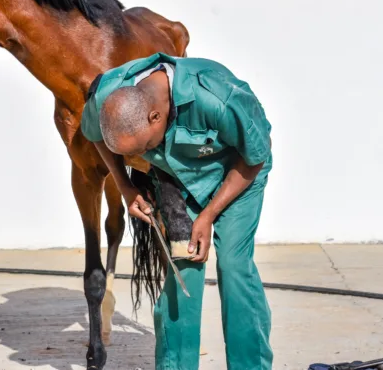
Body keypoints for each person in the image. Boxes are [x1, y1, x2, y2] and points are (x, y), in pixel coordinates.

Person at [80, 52, 273, 370]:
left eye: (142, 148)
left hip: (237, 172)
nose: (140, 157)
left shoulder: (216, 99)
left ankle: (251, 365)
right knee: (183, 268)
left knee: (234, 266)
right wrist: (126, 187)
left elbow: (255, 157)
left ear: (156, 117)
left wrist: (208, 215)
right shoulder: (107, 96)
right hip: (175, 178)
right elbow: (96, 136)